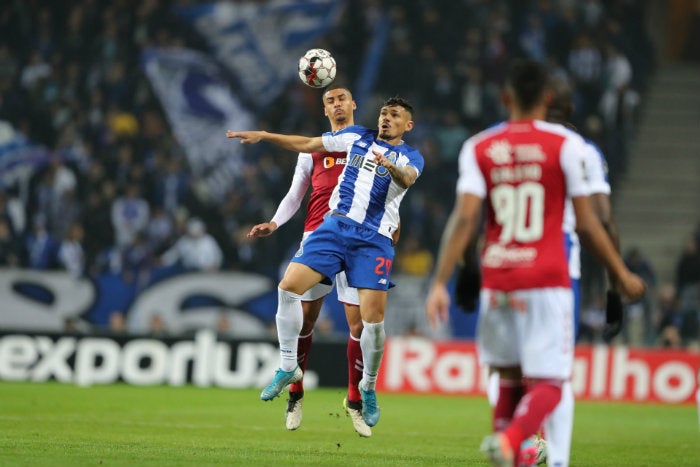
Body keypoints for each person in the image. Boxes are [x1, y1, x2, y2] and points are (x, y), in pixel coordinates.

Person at [425, 60, 645, 467]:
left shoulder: (480, 146)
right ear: (548, 99)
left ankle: (512, 448)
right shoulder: (572, 148)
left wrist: (449, 277)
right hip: (551, 275)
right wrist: (619, 276)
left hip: (498, 274)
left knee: (506, 376)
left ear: (505, 97)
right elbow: (594, 223)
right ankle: (521, 444)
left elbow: (464, 218)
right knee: (553, 379)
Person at [227, 95, 423, 429]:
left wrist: (389, 166)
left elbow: (407, 179)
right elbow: (306, 143)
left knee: (371, 324)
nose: (386, 118)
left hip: (373, 240)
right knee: (288, 287)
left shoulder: (411, 155)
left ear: (408, 124)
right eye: (384, 113)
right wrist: (265, 134)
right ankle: (289, 367)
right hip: (334, 228)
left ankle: (367, 388)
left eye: (395, 115)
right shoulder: (355, 138)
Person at [246, 85, 376, 437]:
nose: (337, 105)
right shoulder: (313, 151)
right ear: (325, 110)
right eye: (330, 101)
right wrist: (274, 222)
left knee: (358, 324)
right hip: (319, 238)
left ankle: (353, 400)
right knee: (305, 318)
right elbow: (294, 195)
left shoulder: (367, 144)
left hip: (358, 237)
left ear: (353, 104)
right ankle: (296, 392)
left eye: (342, 99)